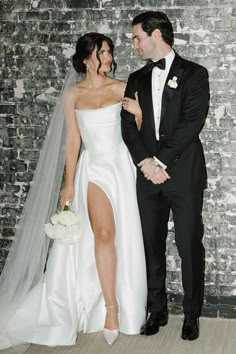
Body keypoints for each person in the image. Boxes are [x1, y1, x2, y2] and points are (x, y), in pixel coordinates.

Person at [0, 32, 147, 352]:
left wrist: (138, 115)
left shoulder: (123, 87)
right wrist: (68, 183)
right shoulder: (73, 96)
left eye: (109, 52)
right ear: (85, 60)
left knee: (124, 237)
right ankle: (112, 309)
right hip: (93, 169)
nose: (108, 58)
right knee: (104, 234)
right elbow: (73, 143)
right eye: (101, 53)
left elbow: (138, 135)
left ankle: (122, 301)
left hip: (121, 168)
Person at [121, 11, 209, 341]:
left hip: (183, 174)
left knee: (188, 245)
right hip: (147, 175)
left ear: (156, 35)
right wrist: (146, 163)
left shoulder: (195, 74)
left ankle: (191, 315)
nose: (134, 45)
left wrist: (159, 161)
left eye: (137, 38)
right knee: (150, 246)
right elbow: (127, 126)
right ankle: (156, 311)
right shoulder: (135, 79)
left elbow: (191, 124)